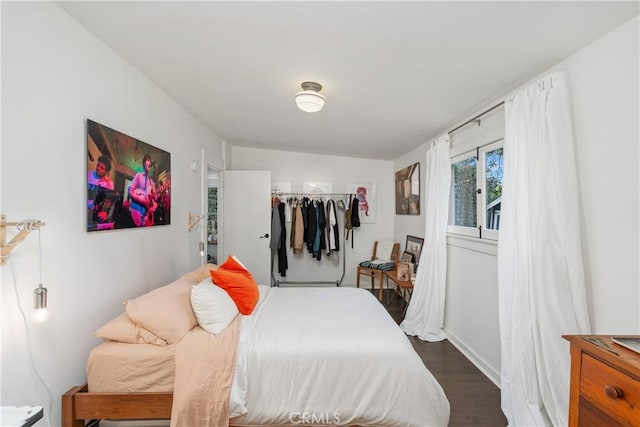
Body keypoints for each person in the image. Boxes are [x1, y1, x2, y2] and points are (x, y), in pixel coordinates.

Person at [128, 153, 157, 227]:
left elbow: (155, 197)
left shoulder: (151, 181)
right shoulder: (139, 175)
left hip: (147, 211)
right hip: (137, 208)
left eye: (150, 161)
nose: (150, 162)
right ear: (144, 163)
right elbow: (130, 192)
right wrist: (140, 200)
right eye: (148, 160)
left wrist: (156, 194)